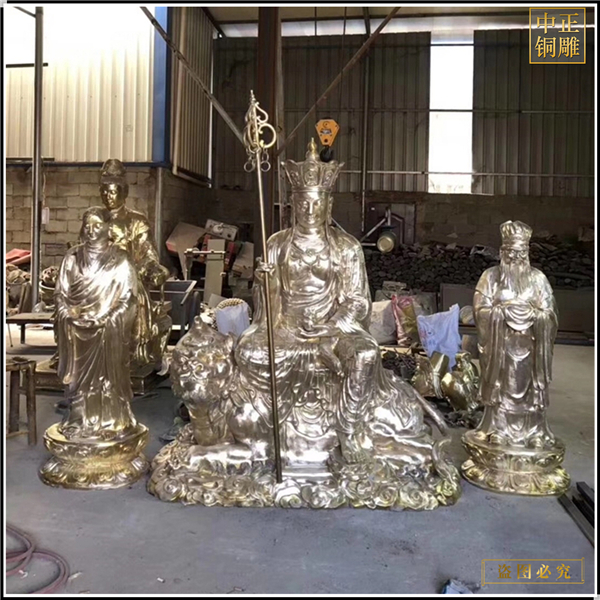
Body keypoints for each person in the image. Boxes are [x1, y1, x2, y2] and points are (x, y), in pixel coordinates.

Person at [234, 140, 429, 463]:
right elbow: (268, 305)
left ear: (329, 205)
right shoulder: (277, 244)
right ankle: (268, 423)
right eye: (303, 203)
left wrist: (331, 326)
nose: (309, 211)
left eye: (317, 203)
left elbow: (358, 300)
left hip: (335, 331)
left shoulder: (346, 247)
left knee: (365, 354)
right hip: (287, 329)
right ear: (293, 204)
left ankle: (348, 427)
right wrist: (266, 283)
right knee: (247, 350)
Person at [471, 220, 558, 448]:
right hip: (500, 348)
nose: (516, 258)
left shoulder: (538, 279)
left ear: (527, 253)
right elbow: (480, 310)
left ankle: (534, 431)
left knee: (532, 390)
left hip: (531, 348)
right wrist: (501, 314)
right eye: (511, 252)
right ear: (502, 252)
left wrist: (536, 317)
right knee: (500, 388)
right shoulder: (490, 277)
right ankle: (497, 428)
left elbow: (550, 312)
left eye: (521, 253)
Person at [54, 207, 139, 440]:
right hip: (76, 331)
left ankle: (112, 421)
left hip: (107, 330)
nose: (91, 231)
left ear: (108, 228)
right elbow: (60, 294)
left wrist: (107, 319)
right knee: (77, 380)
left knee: (109, 379)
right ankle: (78, 419)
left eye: (97, 225)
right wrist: (67, 313)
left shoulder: (120, 259)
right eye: (87, 225)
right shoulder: (72, 257)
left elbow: (129, 298)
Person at [99, 159, 171, 368]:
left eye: (113, 192)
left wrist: (150, 268)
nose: (108, 196)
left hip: (126, 279)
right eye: (104, 192)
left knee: (135, 299)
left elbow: (148, 252)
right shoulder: (95, 219)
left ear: (124, 193)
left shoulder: (136, 220)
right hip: (96, 278)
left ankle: (132, 352)